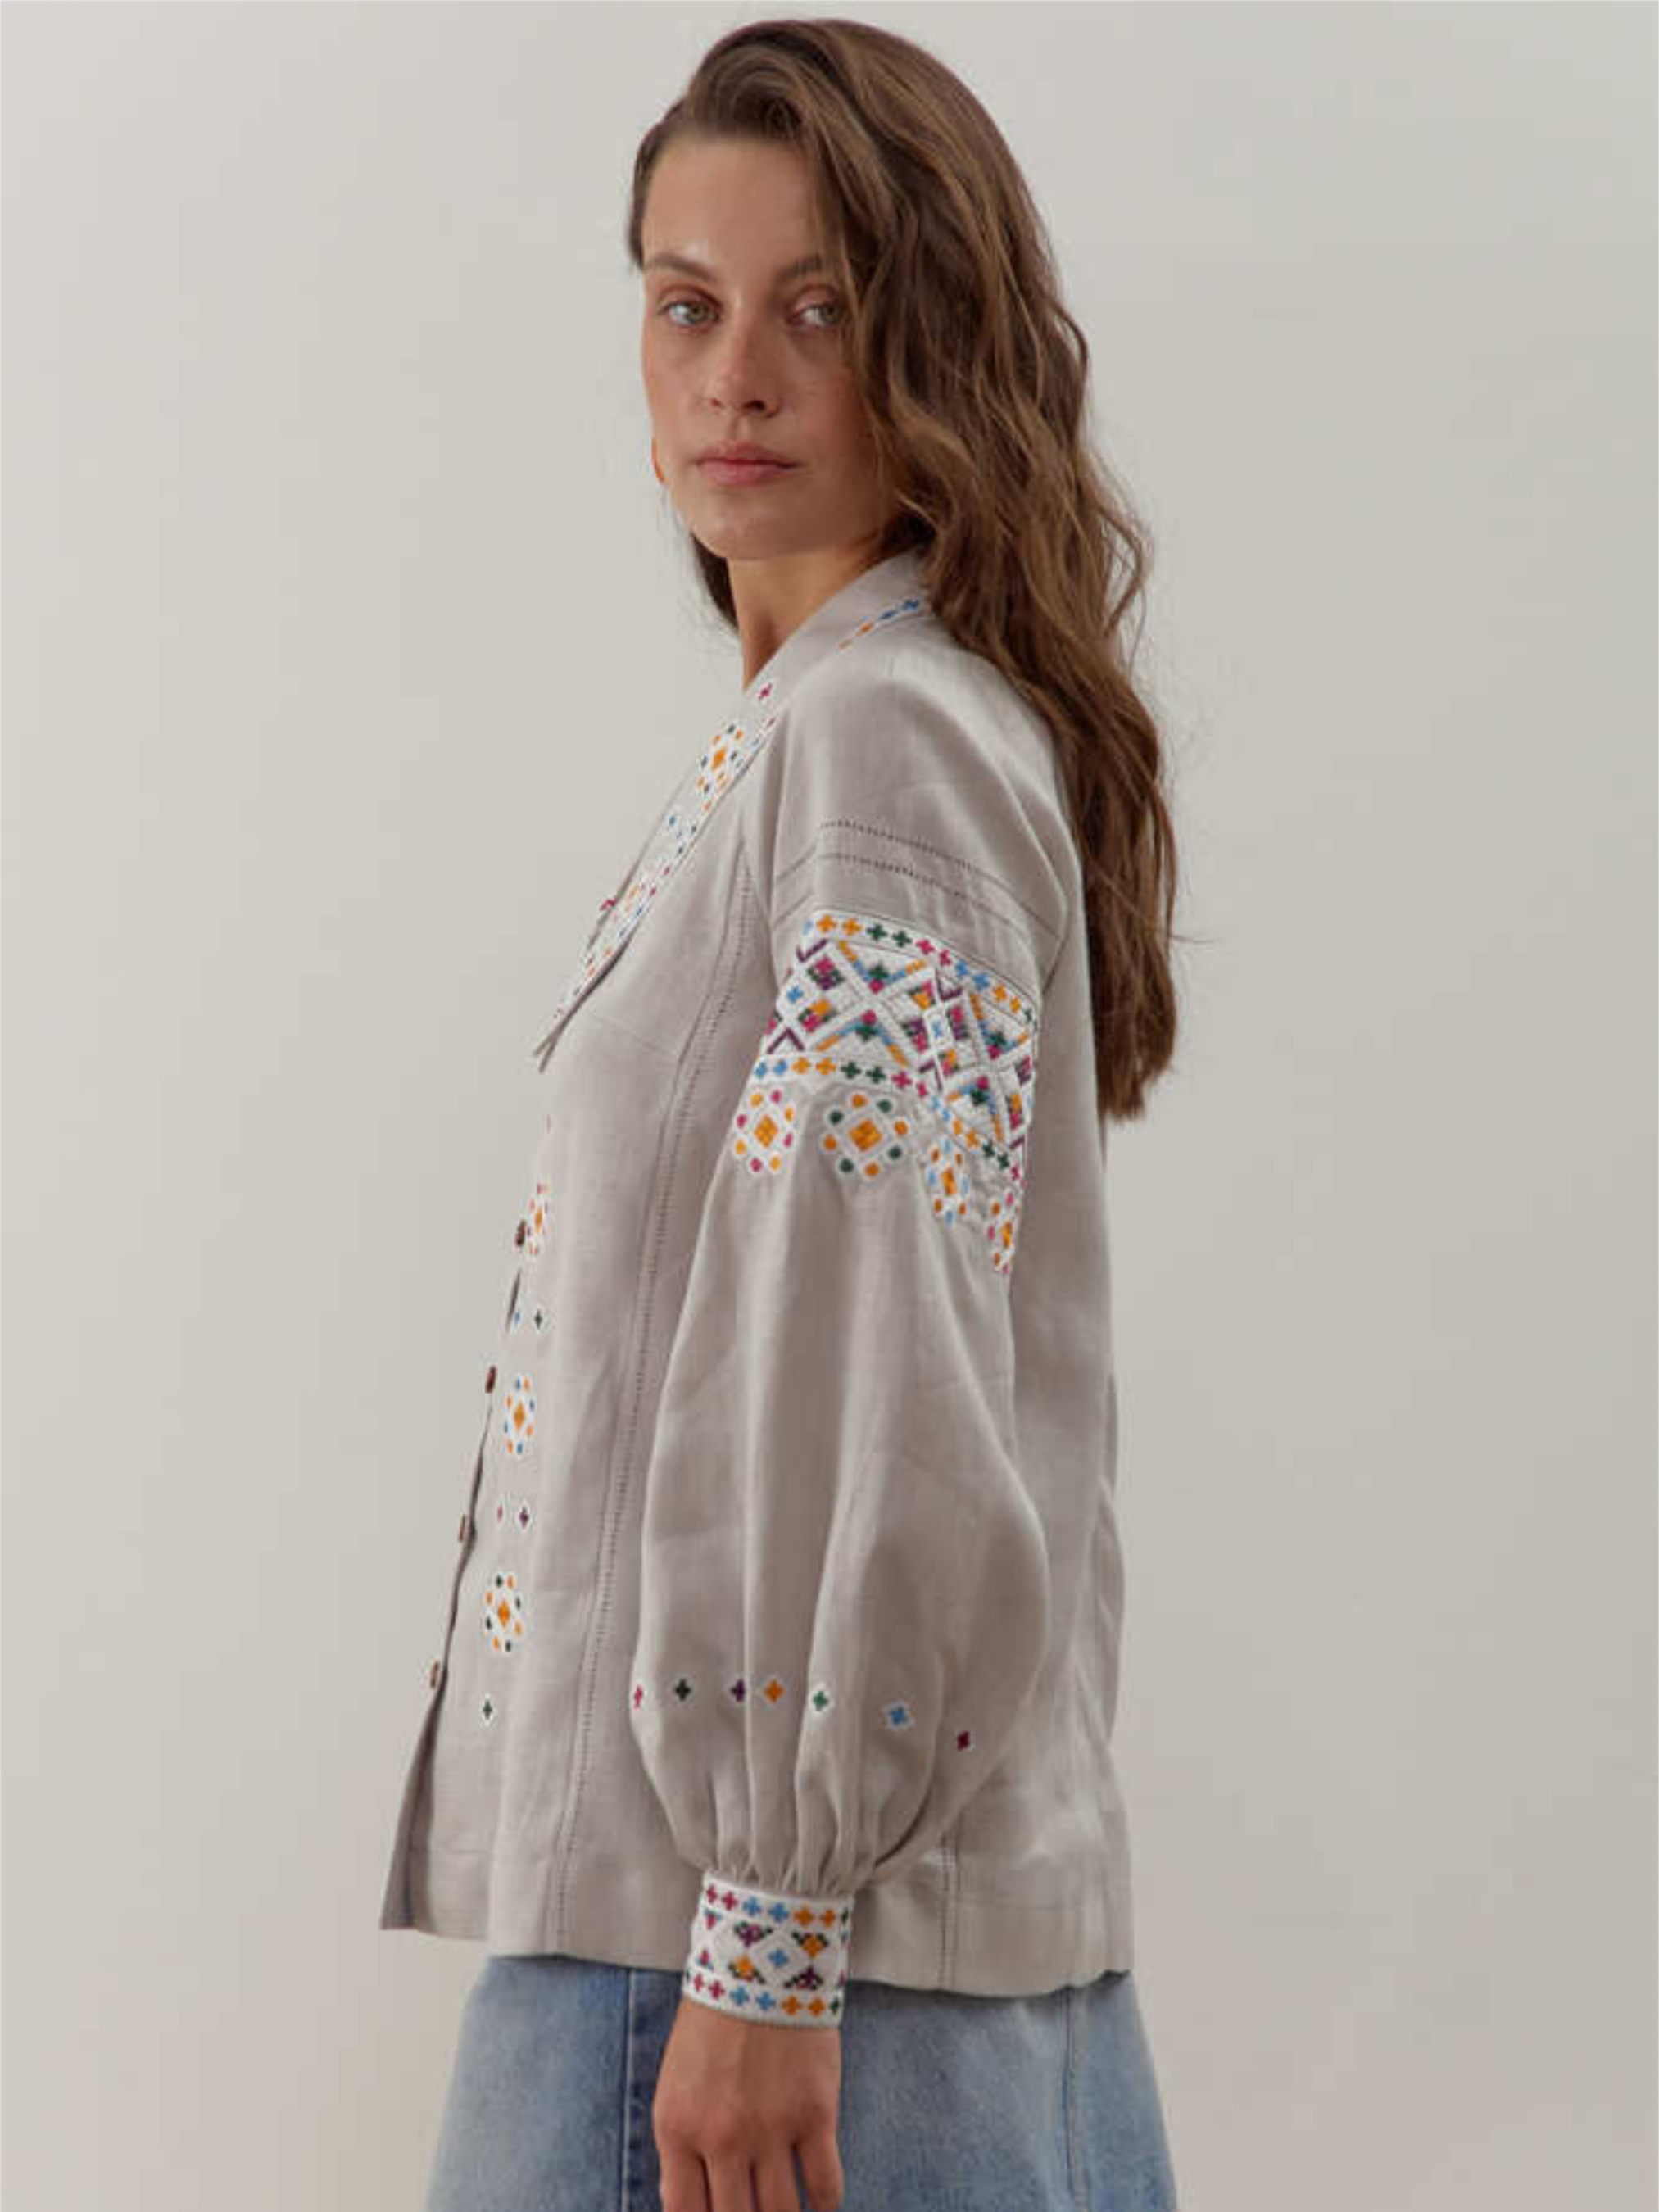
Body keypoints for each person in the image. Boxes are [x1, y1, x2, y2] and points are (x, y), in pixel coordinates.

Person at [379, 18, 1185, 2210]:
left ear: (935, 344)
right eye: (685, 304)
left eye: (815, 311)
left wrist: (763, 1922)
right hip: (881, 1971)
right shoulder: (851, 730)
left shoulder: (879, 748)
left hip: (736, 1974)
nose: (732, 377)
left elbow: (868, 1357)